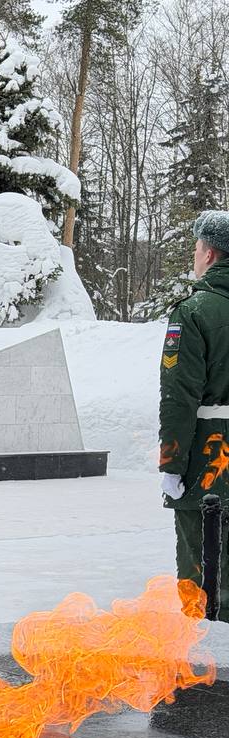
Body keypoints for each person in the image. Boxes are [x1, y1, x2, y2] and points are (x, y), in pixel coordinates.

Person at [159, 210, 229, 618]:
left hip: (209, 463)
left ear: (210, 254)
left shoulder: (194, 311)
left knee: (203, 583)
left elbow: (179, 396)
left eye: (197, 247)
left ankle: (207, 675)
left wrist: (172, 463)